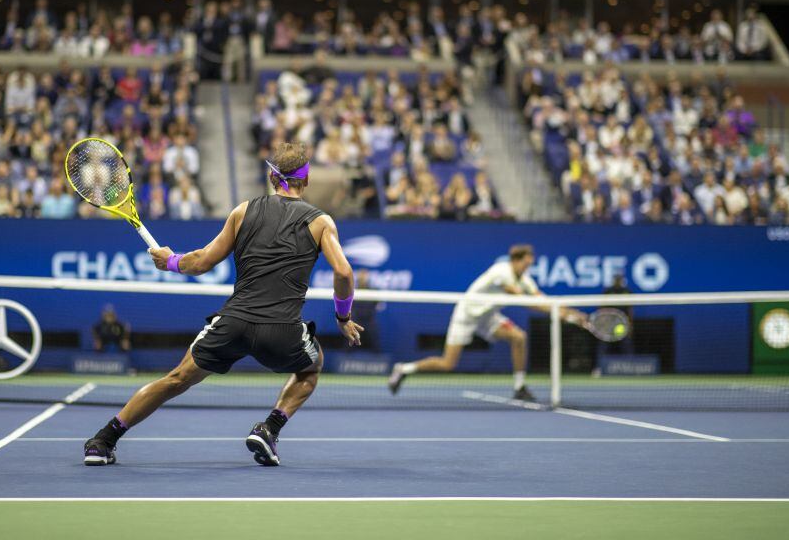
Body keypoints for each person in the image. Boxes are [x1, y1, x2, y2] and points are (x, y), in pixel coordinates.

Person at [83, 142, 363, 467]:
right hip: (281, 330)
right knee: (311, 367)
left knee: (176, 379)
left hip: (233, 323)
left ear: (272, 178)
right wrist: (343, 316)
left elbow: (201, 262)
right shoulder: (321, 222)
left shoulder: (242, 211)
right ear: (307, 179)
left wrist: (171, 261)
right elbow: (343, 271)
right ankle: (269, 429)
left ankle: (103, 440)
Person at [387, 244, 587, 402]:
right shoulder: (502, 271)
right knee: (448, 363)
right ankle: (403, 369)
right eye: (526, 263)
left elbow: (541, 298)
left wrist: (570, 313)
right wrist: (558, 313)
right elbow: (527, 301)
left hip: (488, 315)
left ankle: (519, 387)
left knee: (519, 337)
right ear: (516, 261)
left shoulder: (524, 279)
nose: (527, 267)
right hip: (468, 312)